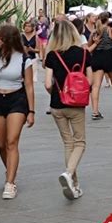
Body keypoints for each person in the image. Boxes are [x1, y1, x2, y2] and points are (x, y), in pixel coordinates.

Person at [0, 24, 35, 199]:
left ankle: (10, 182)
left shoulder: (24, 59)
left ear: (7, 39)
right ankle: (9, 170)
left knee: (11, 141)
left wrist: (31, 111)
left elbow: (29, 86)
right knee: (1, 143)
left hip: (17, 100)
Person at [44, 20, 93, 200]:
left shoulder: (52, 56)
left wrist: (57, 92)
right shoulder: (84, 54)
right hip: (76, 105)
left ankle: (74, 184)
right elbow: (91, 81)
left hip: (57, 105)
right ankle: (69, 173)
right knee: (79, 142)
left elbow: (48, 84)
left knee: (68, 143)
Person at [87, 12, 112, 120]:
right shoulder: (111, 30)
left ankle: (94, 111)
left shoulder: (95, 32)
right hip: (110, 58)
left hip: (97, 58)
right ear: (107, 20)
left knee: (95, 86)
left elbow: (90, 46)